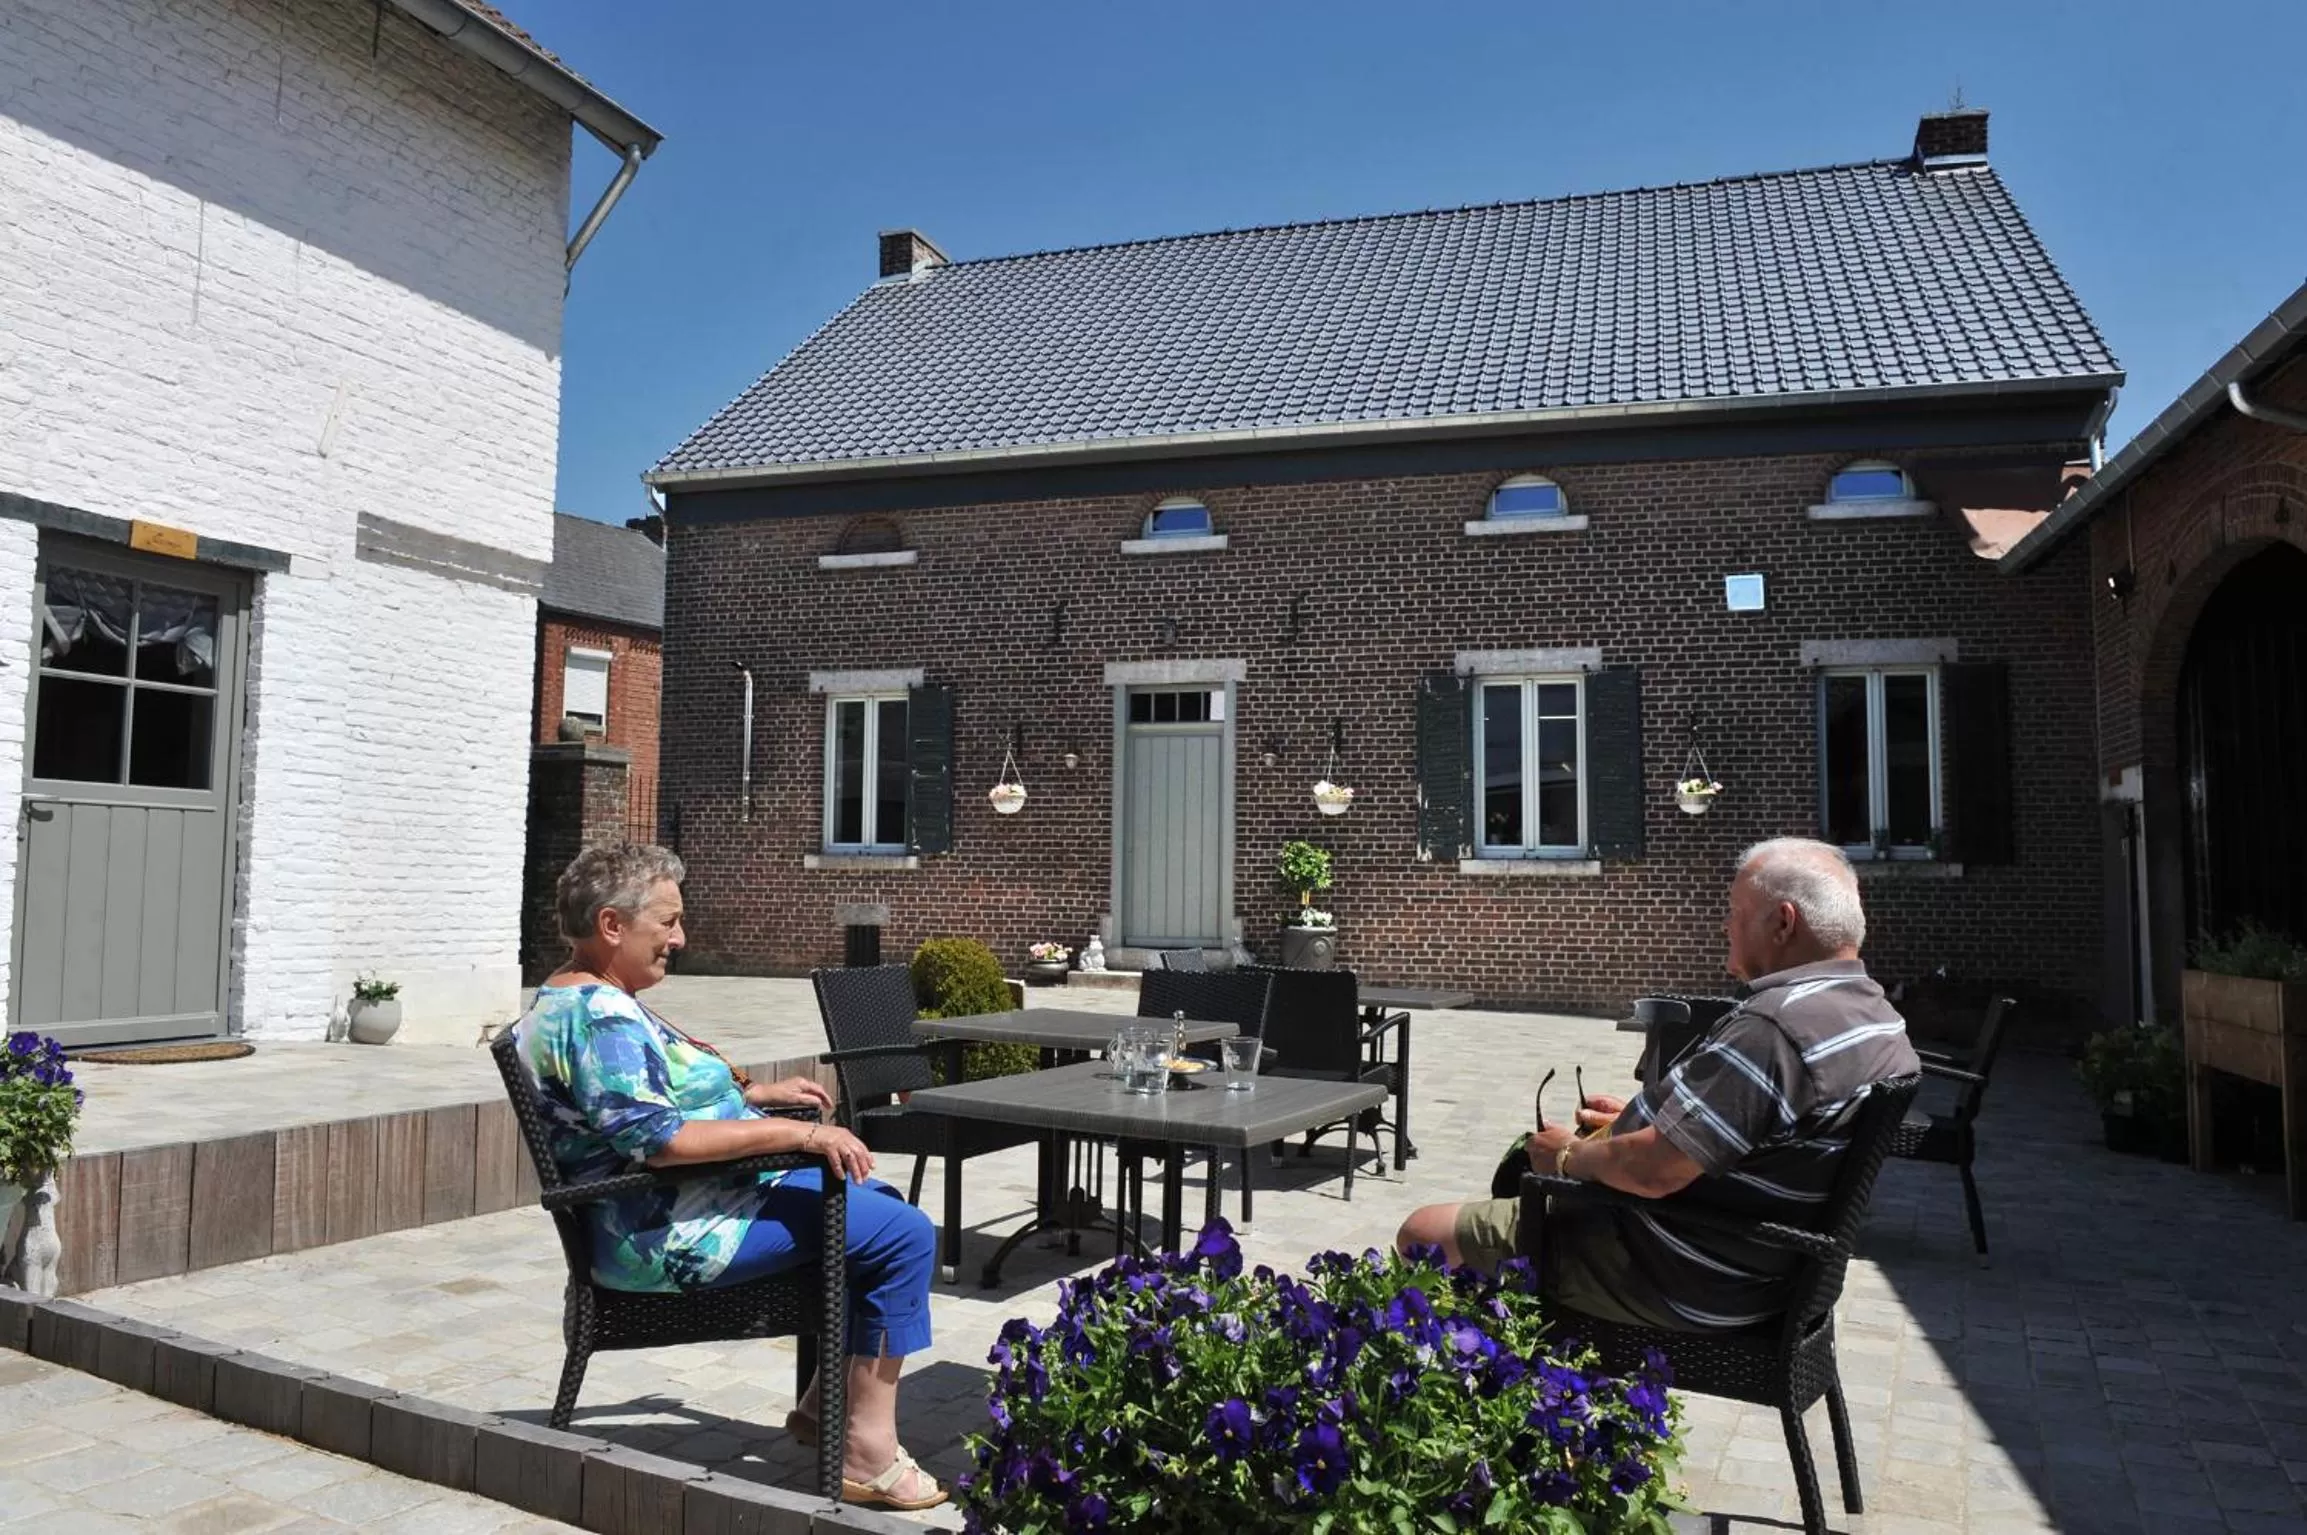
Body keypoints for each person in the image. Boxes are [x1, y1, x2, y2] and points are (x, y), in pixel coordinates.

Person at [515, 842, 944, 1511]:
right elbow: (663, 1141)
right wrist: (801, 1132)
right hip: (666, 1231)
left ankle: (823, 1403)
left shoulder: (575, 995)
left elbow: (655, 1102)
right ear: (611, 925)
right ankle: (866, 1453)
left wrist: (759, 1092)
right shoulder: (599, 1018)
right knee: (904, 1235)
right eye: (668, 922)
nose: (680, 938)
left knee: (876, 1202)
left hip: (681, 1203)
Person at [1396, 837, 1920, 1331]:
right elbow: (1770, 1131)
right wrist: (1666, 1120)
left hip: (1685, 1274)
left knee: (1424, 1233)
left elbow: (1654, 1174)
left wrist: (1565, 1157)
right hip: (1774, 1275)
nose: (1724, 927)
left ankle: (1486, 1394)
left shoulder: (1775, 1027)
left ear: (1783, 923)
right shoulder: (1875, 1017)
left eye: (1735, 913)